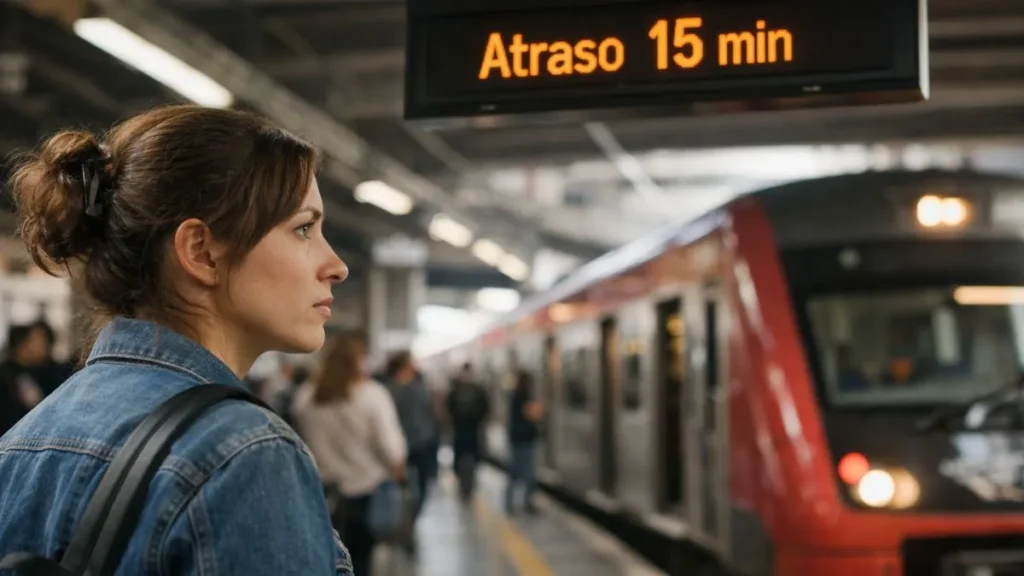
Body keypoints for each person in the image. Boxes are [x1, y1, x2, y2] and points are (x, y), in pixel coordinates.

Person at [0, 105, 352, 575]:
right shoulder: (243, 455)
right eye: (304, 228)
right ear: (201, 252)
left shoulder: (20, 443)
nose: (336, 266)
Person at [292, 334, 407, 576]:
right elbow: (391, 449)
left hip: (322, 494)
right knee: (360, 561)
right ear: (358, 361)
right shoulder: (372, 395)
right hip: (365, 493)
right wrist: (397, 470)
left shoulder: (306, 397)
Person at [385, 351, 440, 526]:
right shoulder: (414, 388)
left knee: (411, 488)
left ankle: (406, 521)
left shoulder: (388, 389)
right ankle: (406, 522)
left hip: (411, 445)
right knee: (414, 489)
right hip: (412, 446)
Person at [446, 362, 490, 500]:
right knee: (472, 457)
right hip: (473, 431)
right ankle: (469, 486)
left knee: (460, 457)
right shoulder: (479, 390)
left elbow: (449, 409)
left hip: (459, 431)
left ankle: (462, 484)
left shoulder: (455, 389)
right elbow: (485, 409)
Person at [505, 371, 543, 514]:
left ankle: (511, 503)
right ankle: (526, 503)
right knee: (526, 474)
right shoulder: (522, 396)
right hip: (525, 439)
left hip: (517, 438)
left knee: (515, 473)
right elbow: (532, 414)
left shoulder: (515, 395)